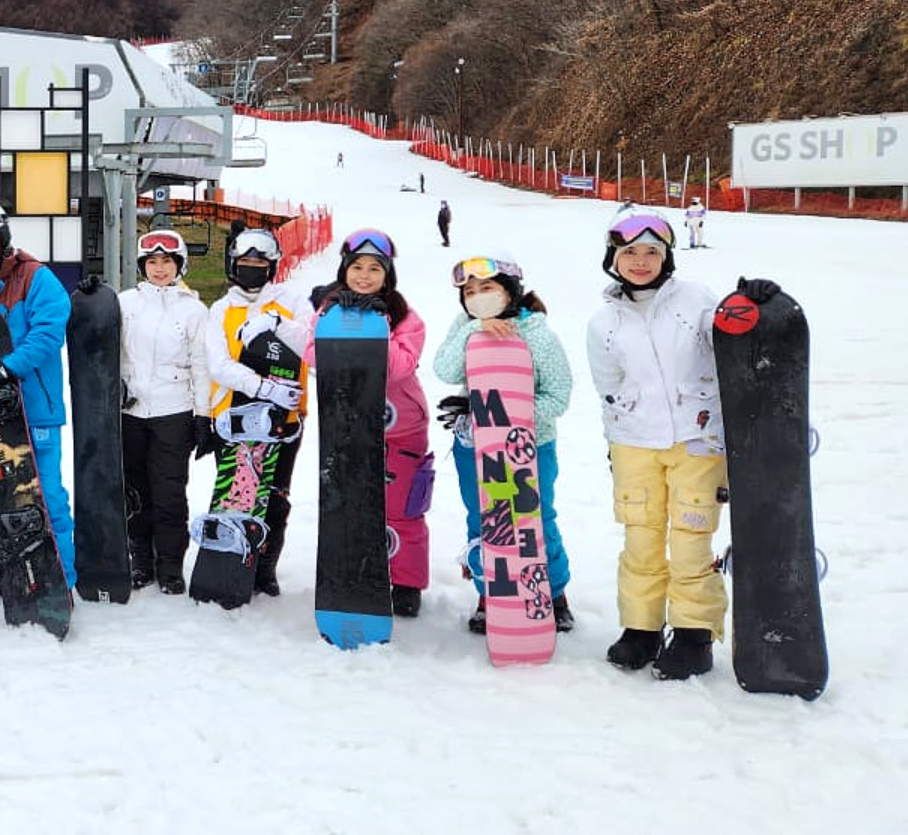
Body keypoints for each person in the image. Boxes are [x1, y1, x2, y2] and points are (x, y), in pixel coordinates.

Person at [585, 212, 731, 679]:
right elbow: (608, 386)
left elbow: (731, 340)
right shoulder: (603, 321)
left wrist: (755, 309)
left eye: (652, 252)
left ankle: (693, 633)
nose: (641, 261)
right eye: (630, 253)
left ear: (667, 256)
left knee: (691, 539)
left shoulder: (696, 300)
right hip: (635, 444)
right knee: (641, 537)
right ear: (614, 258)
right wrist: (615, 442)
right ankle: (641, 629)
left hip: (697, 437)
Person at [432, 252, 575, 634]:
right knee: (485, 520)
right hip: (474, 446)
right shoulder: (465, 326)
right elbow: (444, 370)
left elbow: (558, 396)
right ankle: (490, 592)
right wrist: (474, 327)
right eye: (470, 290)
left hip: (530, 447)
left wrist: (507, 413)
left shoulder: (536, 334)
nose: (478, 295)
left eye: (488, 287)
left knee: (535, 519)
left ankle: (554, 592)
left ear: (510, 291)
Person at [302, 229, 433, 617]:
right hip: (349, 425)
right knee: (353, 505)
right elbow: (314, 357)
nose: (364, 276)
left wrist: (371, 324)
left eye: (374, 268)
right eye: (356, 267)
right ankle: (357, 572)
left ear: (387, 274)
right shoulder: (329, 311)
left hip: (401, 425)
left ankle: (406, 581)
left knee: (401, 509)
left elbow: (399, 366)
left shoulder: (405, 316)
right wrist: (339, 321)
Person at [0, 199, 77, 590]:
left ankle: (62, 573)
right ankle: (16, 569)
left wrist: (7, 369)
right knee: (5, 498)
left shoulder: (35, 277)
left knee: (47, 495)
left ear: (1, 236)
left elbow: (48, 334)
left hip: (33, 408)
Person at [202, 225, 310, 596]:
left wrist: (277, 324)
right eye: (245, 261)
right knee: (239, 492)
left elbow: (311, 344)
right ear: (234, 264)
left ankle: (265, 567)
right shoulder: (221, 309)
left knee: (275, 496)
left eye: (260, 262)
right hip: (236, 418)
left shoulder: (291, 302)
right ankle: (233, 560)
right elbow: (219, 365)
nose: (253, 268)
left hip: (285, 421)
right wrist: (265, 388)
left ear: (272, 266)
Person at [118, 228, 209, 596]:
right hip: (131, 412)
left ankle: (170, 566)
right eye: (152, 261)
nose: (159, 268)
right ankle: (140, 559)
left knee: (170, 492)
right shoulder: (125, 304)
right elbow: (106, 352)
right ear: (142, 265)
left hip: (174, 412)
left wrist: (203, 416)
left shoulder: (193, 311)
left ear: (179, 265)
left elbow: (202, 366)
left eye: (167, 261)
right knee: (135, 491)